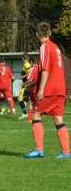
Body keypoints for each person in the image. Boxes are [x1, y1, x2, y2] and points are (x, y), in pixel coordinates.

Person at [24, 22, 71, 158]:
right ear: (50, 33)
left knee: (36, 115)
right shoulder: (56, 48)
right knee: (58, 119)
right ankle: (66, 151)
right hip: (60, 89)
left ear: (37, 34)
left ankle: (39, 149)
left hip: (50, 90)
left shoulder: (44, 47)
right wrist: (35, 83)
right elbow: (53, 70)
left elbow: (45, 69)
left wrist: (41, 89)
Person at [22, 56, 39, 122]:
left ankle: (33, 118)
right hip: (39, 88)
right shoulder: (40, 69)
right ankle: (29, 119)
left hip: (34, 88)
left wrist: (24, 84)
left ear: (31, 62)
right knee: (31, 103)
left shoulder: (33, 69)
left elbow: (30, 79)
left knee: (35, 104)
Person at [18, 52, 31, 119]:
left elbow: (30, 73)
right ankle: (25, 113)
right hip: (26, 84)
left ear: (22, 58)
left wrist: (23, 77)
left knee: (20, 99)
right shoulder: (26, 64)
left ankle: (25, 113)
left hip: (27, 85)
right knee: (30, 100)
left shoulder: (26, 64)